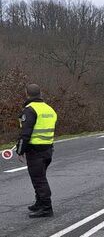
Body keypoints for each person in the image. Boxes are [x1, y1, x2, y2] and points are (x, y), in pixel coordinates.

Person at [16, 84, 57, 218]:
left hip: (35, 151)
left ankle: (46, 207)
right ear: (40, 94)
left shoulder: (30, 110)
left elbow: (26, 133)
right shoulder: (49, 109)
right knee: (39, 177)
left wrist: (20, 150)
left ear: (27, 94)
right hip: (48, 149)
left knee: (39, 180)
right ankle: (39, 203)